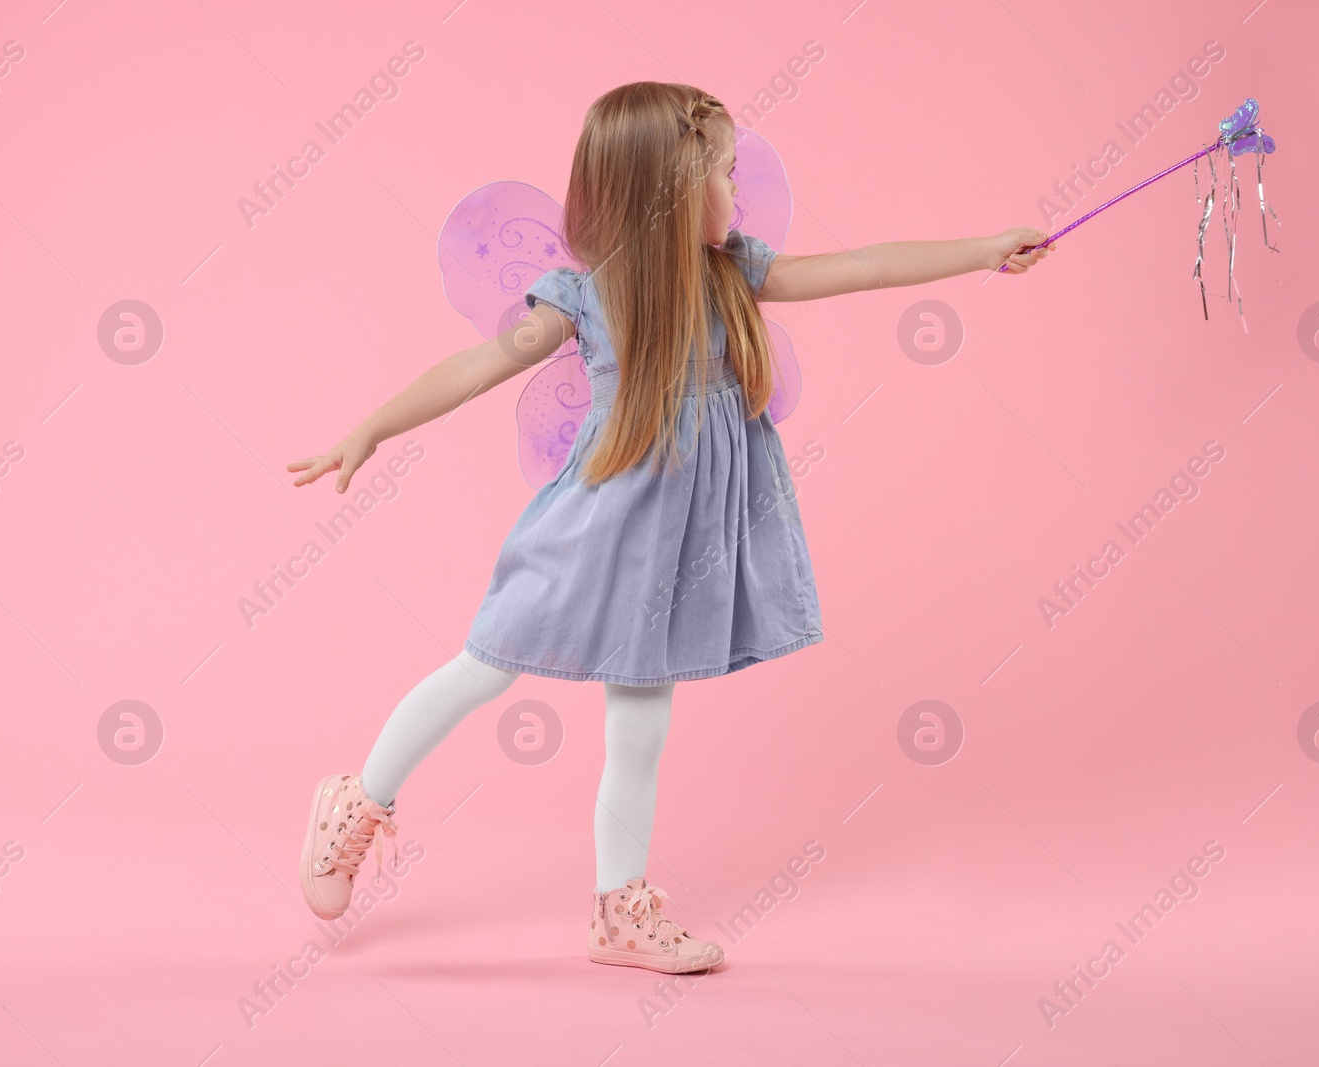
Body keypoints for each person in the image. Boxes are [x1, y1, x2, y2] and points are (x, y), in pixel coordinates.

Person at [287, 81, 1055, 975]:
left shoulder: (737, 273)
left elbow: (869, 266)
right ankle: (358, 798)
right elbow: (474, 365)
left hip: (676, 552)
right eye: (723, 173)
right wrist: (371, 427)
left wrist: (984, 252)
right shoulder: (585, 298)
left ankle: (619, 910)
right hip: (587, 530)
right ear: (670, 193)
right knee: (484, 666)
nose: (740, 188)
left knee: (642, 721)